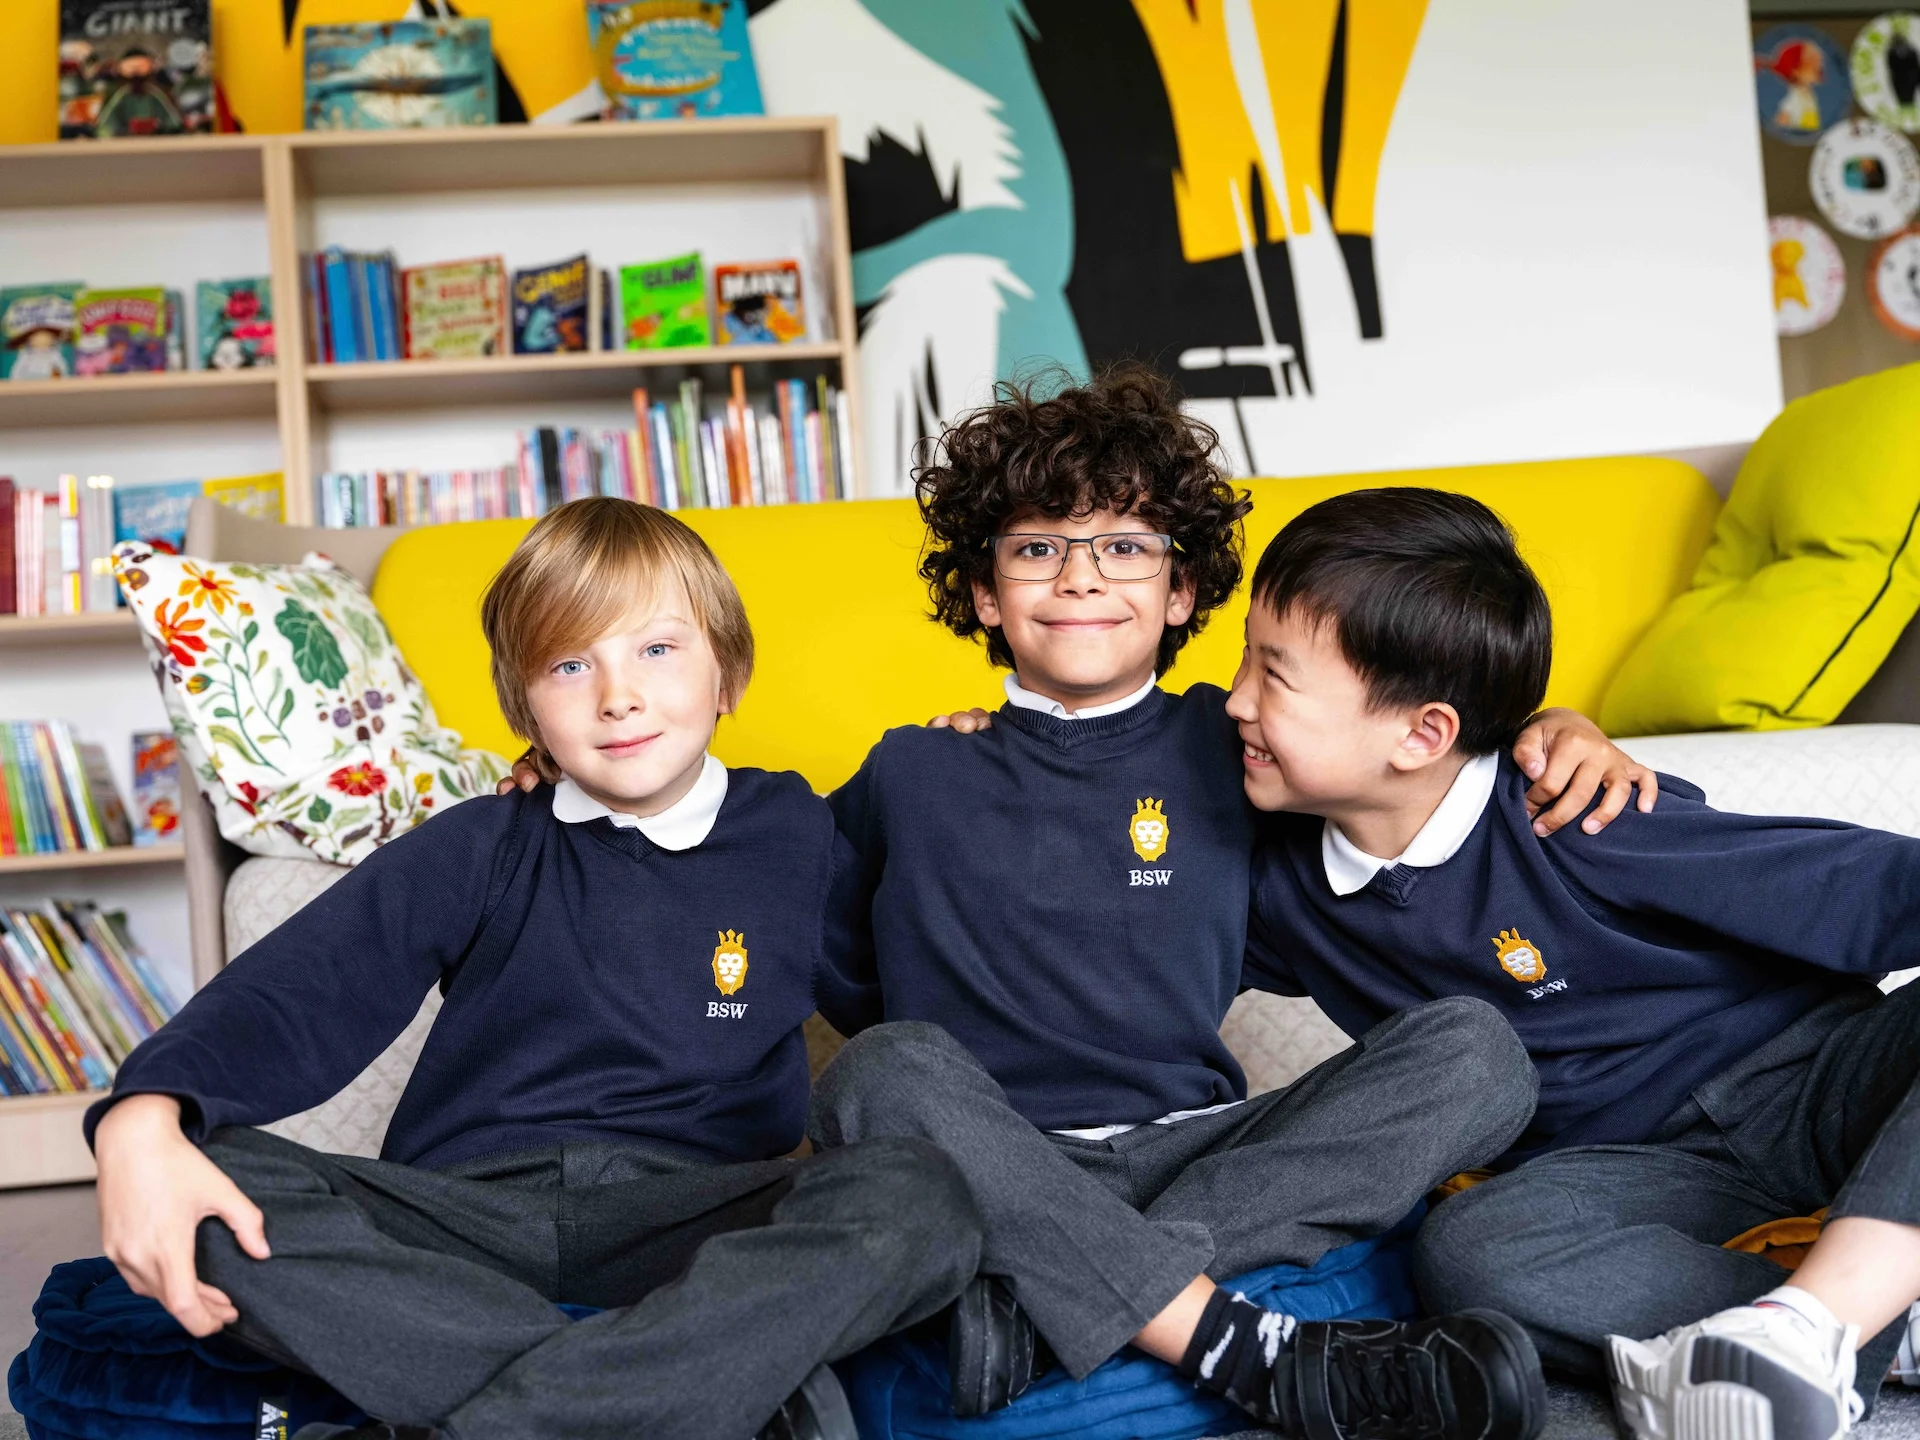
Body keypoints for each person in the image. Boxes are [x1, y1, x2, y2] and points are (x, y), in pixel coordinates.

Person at [801, 366, 1652, 1439]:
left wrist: (1549, 727)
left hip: (1193, 1160)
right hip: (989, 1169)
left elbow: (1398, 761)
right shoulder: (911, 769)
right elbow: (819, 946)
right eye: (1037, 549)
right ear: (983, 593)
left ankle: (1042, 1306)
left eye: (1125, 547)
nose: (1080, 577)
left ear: (1182, 591)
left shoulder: (1238, 746)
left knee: (1477, 1054)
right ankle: (1237, 1344)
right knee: (878, 1072)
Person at [91, 498, 982, 1440]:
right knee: (207, 1184)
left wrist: (981, 775)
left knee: (916, 1195)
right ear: (526, 707)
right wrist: (144, 1114)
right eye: (569, 665)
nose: (617, 696)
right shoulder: (483, 840)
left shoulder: (798, 834)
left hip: (693, 1226)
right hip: (461, 1221)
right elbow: (306, 986)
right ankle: (697, 1390)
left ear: (728, 670)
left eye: (657, 649)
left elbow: (922, 996)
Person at [1232, 486, 1920, 1440]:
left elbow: (1873, 890)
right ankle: (1870, 1320)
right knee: (1470, 1252)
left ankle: (1827, 1316)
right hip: (1640, 1172)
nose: (1236, 700)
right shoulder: (1279, 889)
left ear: (1423, 734)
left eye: (1273, 676)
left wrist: (1567, 725)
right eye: (1245, 659)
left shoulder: (1575, 807)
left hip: (1825, 1081)